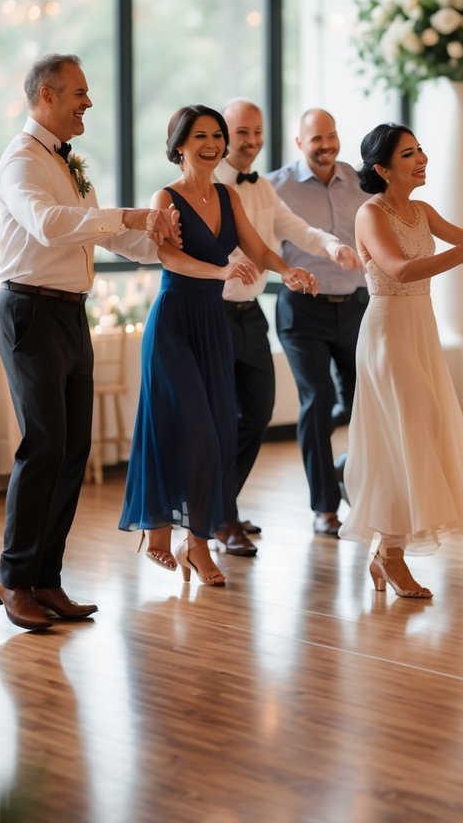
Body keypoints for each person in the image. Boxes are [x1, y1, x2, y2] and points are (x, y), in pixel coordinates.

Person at [0, 52, 182, 632]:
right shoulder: (21, 161)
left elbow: (105, 234)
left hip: (71, 314)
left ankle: (46, 578)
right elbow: (49, 224)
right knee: (44, 445)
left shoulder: (69, 164)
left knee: (74, 448)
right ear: (46, 96)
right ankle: (11, 576)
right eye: (79, 92)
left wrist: (166, 244)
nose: (89, 103)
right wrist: (128, 212)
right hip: (29, 311)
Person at [118, 105, 319, 585]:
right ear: (180, 144)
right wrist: (221, 271)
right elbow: (168, 256)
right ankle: (176, 534)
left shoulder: (229, 195)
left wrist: (287, 270)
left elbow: (257, 248)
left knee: (218, 434)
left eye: (217, 135)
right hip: (173, 324)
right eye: (200, 135)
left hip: (213, 323)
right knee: (191, 431)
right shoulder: (164, 196)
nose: (212, 143)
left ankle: (188, 541)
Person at [339, 123, 463, 598]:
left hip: (420, 327)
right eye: (409, 153)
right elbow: (400, 268)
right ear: (382, 168)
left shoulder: (421, 210)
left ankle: (387, 554)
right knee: (404, 435)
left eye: (420, 149)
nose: (421, 158)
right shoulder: (371, 213)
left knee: (422, 430)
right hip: (388, 332)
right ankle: (391, 557)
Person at [214, 98, 360, 551]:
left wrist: (331, 246)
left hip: (255, 312)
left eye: (258, 132)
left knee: (256, 414)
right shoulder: (211, 185)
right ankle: (220, 517)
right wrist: (285, 271)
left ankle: (222, 508)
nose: (253, 141)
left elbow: (294, 227)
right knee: (225, 418)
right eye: (243, 133)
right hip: (216, 312)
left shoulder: (261, 188)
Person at [267, 109, 367, 537]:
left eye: (331, 136)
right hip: (302, 309)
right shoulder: (275, 187)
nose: (326, 146)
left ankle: (349, 472)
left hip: (356, 305)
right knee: (317, 398)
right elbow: (255, 243)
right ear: (299, 142)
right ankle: (325, 507)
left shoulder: (360, 180)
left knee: (363, 399)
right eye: (316, 140)